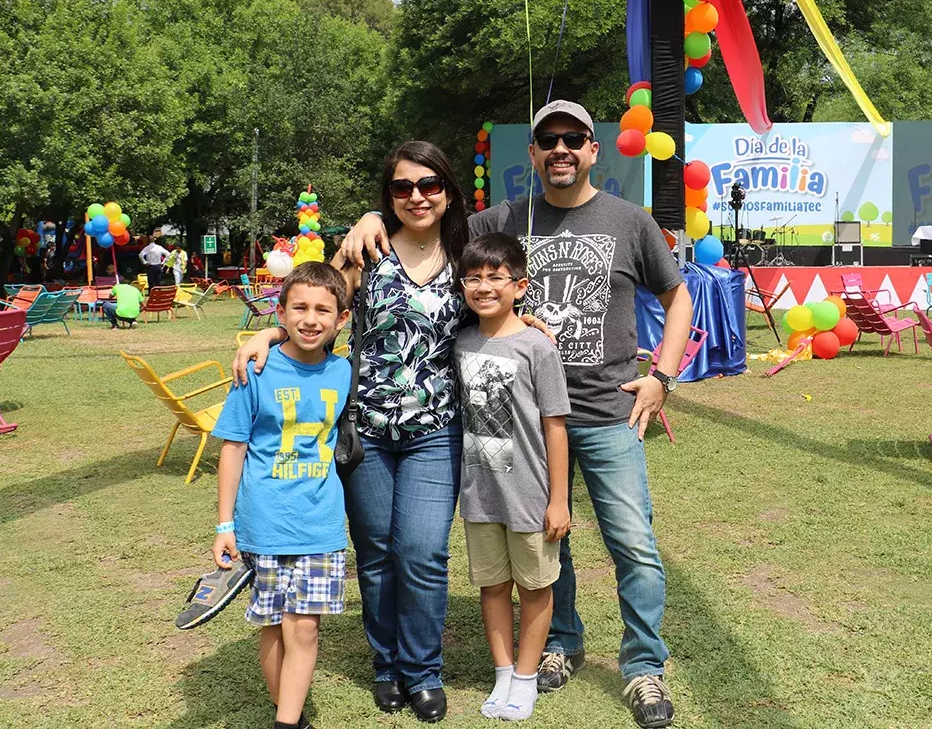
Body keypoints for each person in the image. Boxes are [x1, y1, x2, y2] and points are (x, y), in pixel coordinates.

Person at [339, 101, 694, 728]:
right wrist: (369, 214)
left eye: (573, 139)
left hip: (607, 411)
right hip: (518, 422)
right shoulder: (499, 219)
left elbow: (678, 294)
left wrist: (662, 376)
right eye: (547, 140)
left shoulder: (630, 220)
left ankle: (642, 668)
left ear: (593, 149)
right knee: (544, 538)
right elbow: (423, 218)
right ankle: (560, 644)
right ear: (531, 154)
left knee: (632, 545)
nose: (560, 149)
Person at [236, 141, 472, 723]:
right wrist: (267, 335)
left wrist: (533, 321)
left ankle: (422, 670)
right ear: (387, 195)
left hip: (434, 430)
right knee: (374, 555)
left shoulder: (464, 251)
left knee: (421, 551)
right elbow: (316, 308)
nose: (416, 196)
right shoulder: (366, 249)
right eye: (401, 187)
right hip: (363, 430)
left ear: (447, 190)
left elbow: (498, 301)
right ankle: (386, 666)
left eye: (428, 184)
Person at [211, 262, 353, 729]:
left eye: (322, 310)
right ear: (282, 312)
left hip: (320, 523)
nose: (311, 319)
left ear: (341, 319)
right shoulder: (256, 369)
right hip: (262, 522)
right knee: (272, 628)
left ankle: (287, 722)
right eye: (300, 308)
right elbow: (233, 448)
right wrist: (224, 524)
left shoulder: (344, 371)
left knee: (305, 627)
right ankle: (288, 713)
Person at [454, 233, 570, 722]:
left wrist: (559, 499)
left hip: (529, 495)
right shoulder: (459, 340)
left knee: (536, 588)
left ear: (520, 286)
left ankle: (526, 677)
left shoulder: (538, 347)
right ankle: (503, 672)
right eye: (473, 278)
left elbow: (555, 426)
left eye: (495, 278)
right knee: (493, 586)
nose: (484, 287)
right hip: (479, 495)